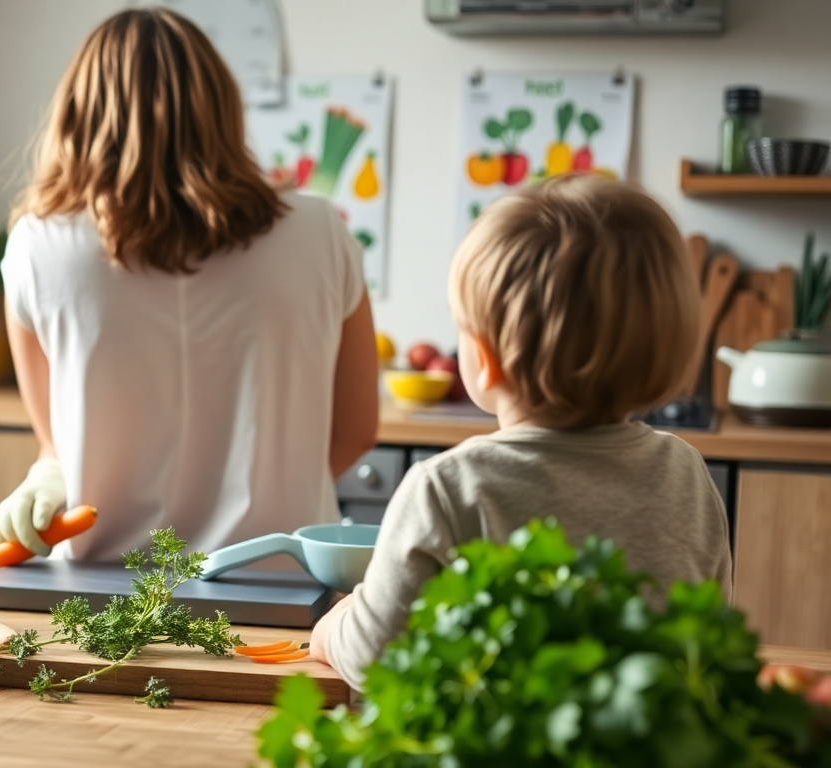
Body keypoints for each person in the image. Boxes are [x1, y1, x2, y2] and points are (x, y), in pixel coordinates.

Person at [0, 8, 379, 561]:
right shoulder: (319, 231)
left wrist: (48, 471)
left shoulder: (36, 243)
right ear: (222, 107)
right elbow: (357, 431)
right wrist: (272, 494)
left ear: (78, 112)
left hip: (102, 599)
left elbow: (56, 442)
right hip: (282, 578)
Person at [312, 175, 733, 691]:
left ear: (484, 359)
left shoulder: (447, 488)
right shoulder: (686, 473)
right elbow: (710, 636)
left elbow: (376, 661)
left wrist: (332, 629)